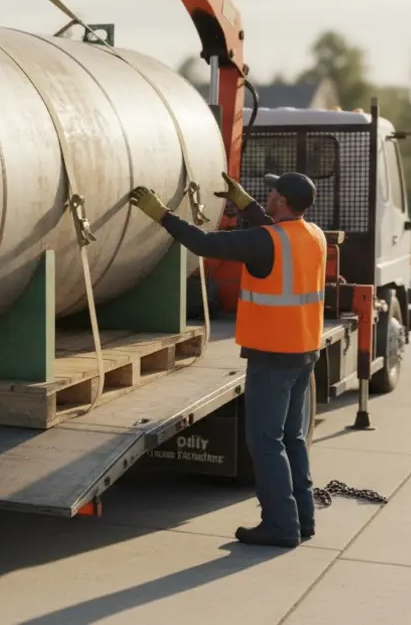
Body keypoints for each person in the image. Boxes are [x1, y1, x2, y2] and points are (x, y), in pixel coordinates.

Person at [128, 171, 326, 548]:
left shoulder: (266, 240)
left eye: (271, 192)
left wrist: (163, 215)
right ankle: (302, 520)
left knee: (265, 442)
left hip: (273, 356)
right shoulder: (312, 234)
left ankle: (280, 527)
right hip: (304, 351)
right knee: (291, 438)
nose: (268, 196)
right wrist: (246, 205)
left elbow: (204, 244)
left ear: (282, 201)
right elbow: (272, 235)